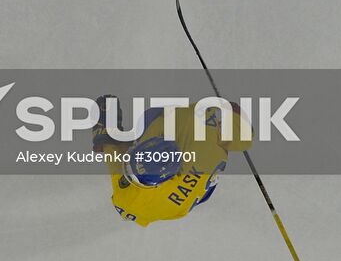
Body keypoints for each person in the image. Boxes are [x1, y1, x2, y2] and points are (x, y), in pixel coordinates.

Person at [91, 95, 253, 226]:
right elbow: (243, 138)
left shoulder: (129, 201)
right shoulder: (199, 132)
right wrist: (235, 115)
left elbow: (114, 160)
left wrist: (104, 137)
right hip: (188, 197)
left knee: (150, 117)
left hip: (172, 206)